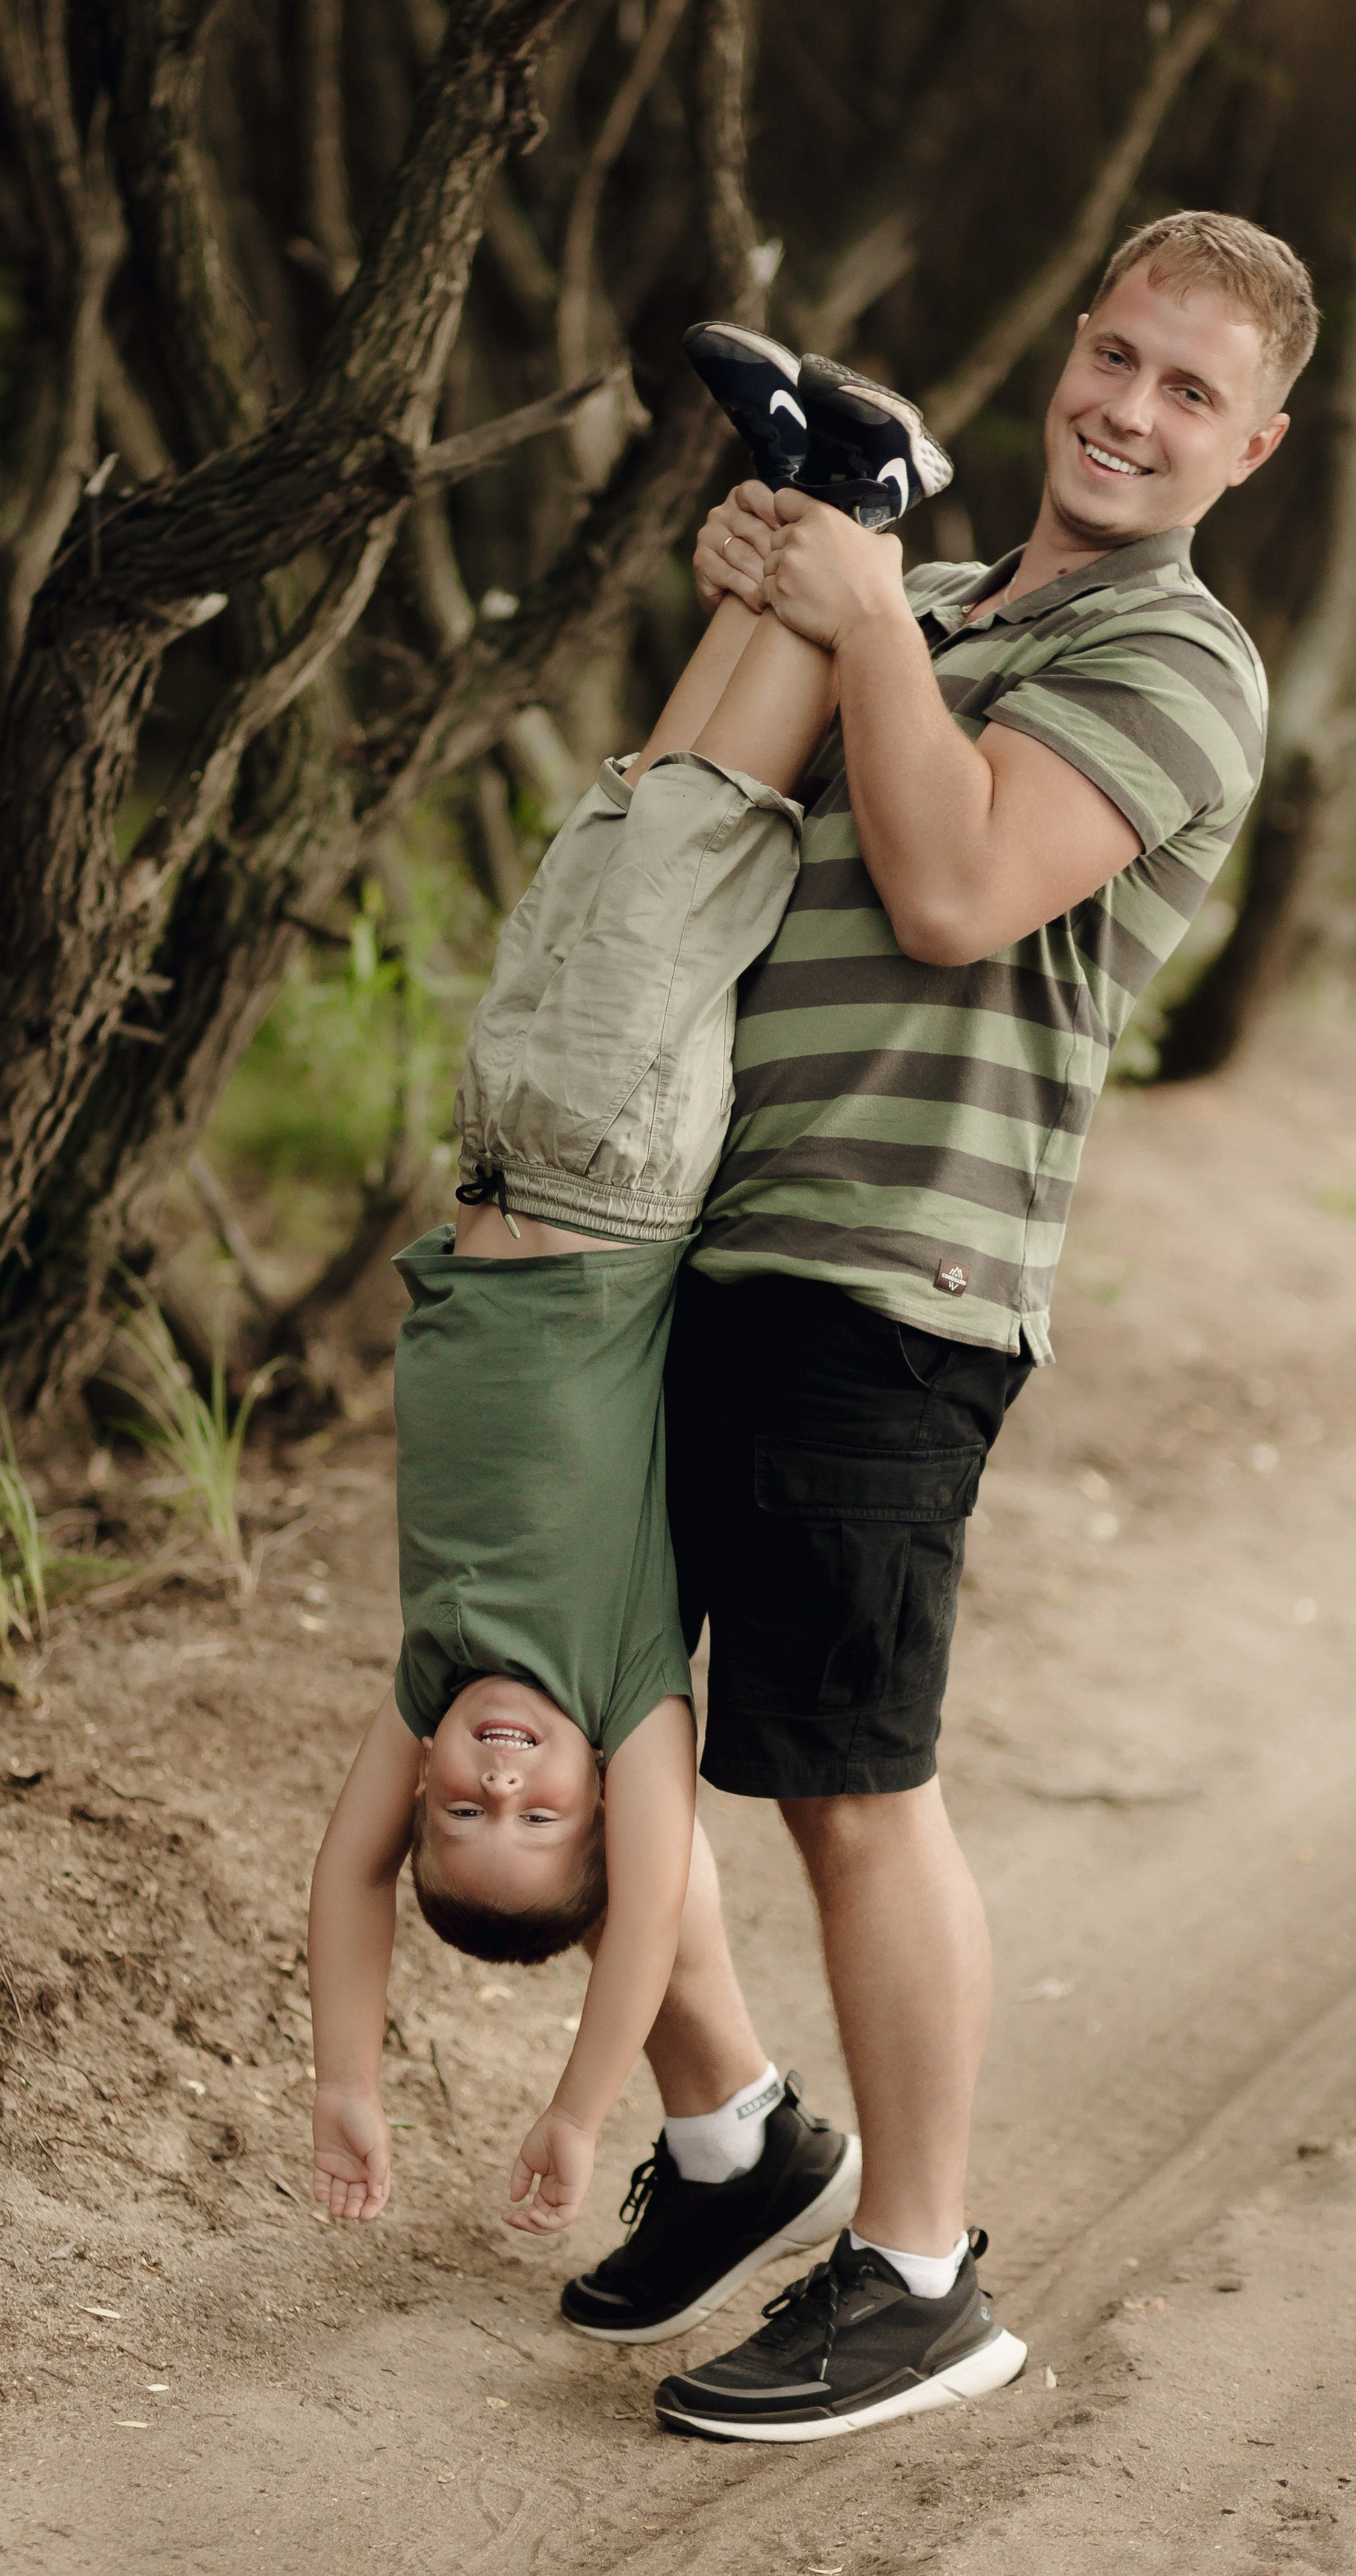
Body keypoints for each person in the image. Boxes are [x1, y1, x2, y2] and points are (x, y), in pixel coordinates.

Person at [556, 210, 1317, 2444]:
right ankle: (731, 2141)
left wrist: (864, 606)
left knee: (851, 1792)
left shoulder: (1184, 666)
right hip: (698, 1231)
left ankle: (916, 2273)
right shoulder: (958, 609)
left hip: (894, 1275)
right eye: (1114, 354)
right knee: (581, 1711)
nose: (1129, 409)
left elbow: (960, 885)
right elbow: (708, 832)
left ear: (1251, 445)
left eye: (1191, 391)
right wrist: (785, 602)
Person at [305, 351, 961, 2254]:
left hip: (502, 1155)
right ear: (595, 1800)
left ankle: (808, 494)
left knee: (629, 832)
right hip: (603, 1185)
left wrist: (346, 2080)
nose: (493, 1783)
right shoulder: (622, 1704)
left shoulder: (435, 1681)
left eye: (456, 1816)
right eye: (533, 1821)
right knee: (681, 846)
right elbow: (654, 1916)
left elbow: (342, 1894)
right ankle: (867, 508)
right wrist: (586, 2110)